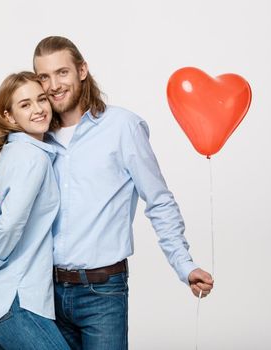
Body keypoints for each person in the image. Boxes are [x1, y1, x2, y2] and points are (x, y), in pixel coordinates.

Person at [32, 36, 214, 349]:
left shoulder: (122, 127)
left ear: (82, 70)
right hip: (46, 291)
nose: (53, 85)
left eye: (62, 72)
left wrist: (185, 265)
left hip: (102, 294)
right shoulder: (37, 136)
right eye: (44, 77)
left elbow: (159, 201)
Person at [0, 71, 70, 350]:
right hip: (15, 298)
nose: (38, 109)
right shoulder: (33, 157)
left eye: (41, 99)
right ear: (9, 117)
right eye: (25, 104)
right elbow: (9, 224)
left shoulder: (8, 154)